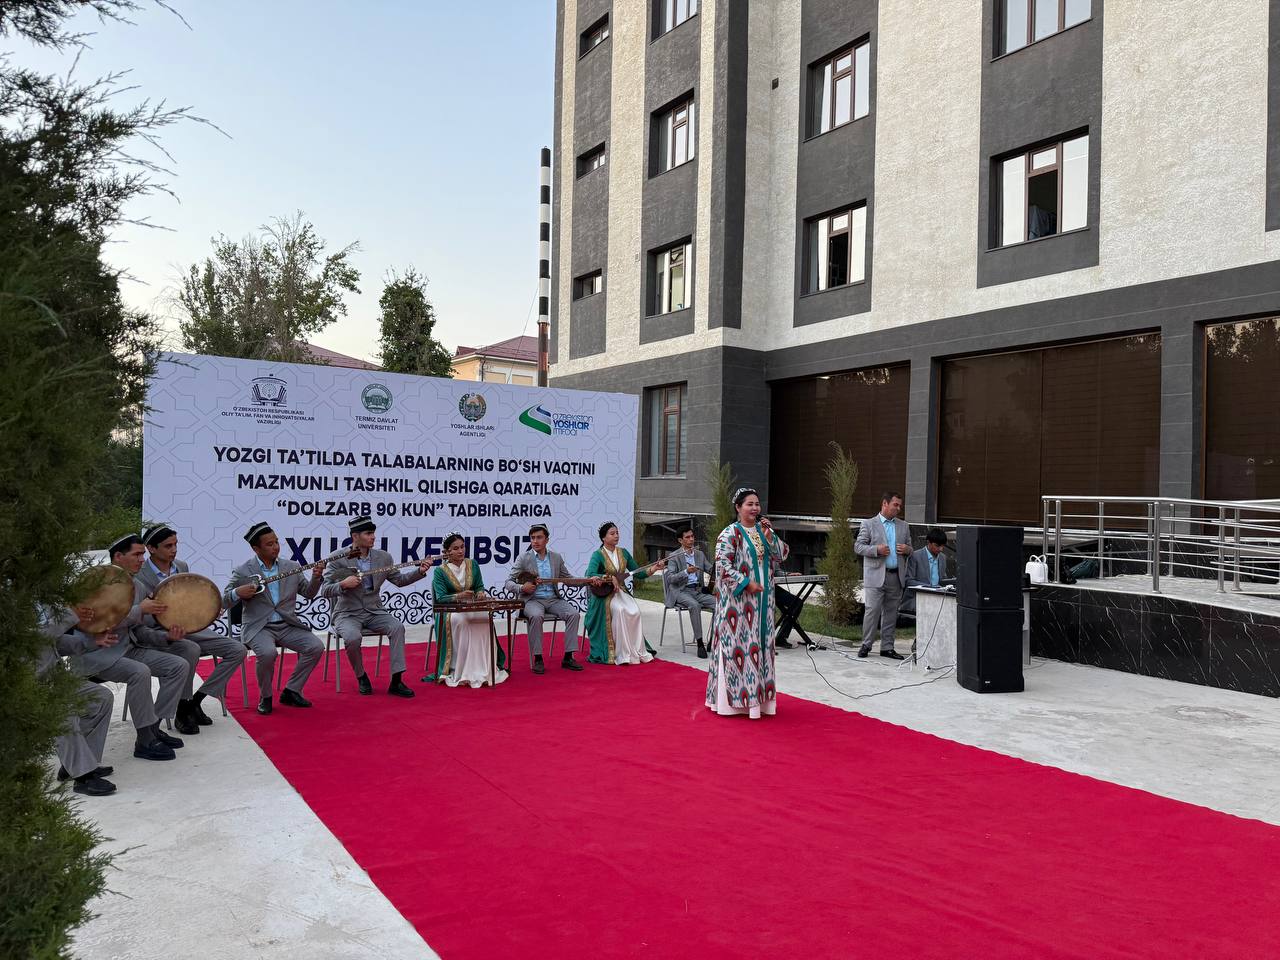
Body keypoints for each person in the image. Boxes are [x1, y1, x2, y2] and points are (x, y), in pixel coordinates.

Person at [67, 534, 187, 760]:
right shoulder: (96, 582)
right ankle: (144, 740)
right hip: (96, 653)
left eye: (143, 554)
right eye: (137, 554)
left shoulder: (137, 586)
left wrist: (167, 638)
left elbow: (138, 630)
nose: (142, 559)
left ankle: (153, 727)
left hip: (127, 649)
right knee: (139, 672)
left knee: (178, 665)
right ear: (118, 556)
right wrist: (139, 610)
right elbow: (95, 623)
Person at [135, 523, 247, 735]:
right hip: (159, 632)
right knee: (189, 649)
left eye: (175, 544)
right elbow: (140, 617)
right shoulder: (139, 575)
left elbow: (189, 600)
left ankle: (195, 701)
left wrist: (206, 612)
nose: (174, 550)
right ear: (151, 548)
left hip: (189, 628)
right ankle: (181, 707)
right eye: (168, 546)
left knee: (238, 650)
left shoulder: (181, 566)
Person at [321, 516, 432, 698]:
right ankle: (361, 676)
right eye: (368, 533)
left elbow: (400, 580)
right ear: (355, 536)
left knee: (397, 627)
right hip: (347, 613)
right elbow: (325, 590)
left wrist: (420, 571)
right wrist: (343, 584)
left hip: (374, 610)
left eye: (373, 533)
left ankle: (396, 681)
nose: (373, 537)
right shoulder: (338, 558)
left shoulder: (383, 557)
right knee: (352, 637)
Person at [705, 487, 790, 719]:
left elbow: (782, 554)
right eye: (749, 504)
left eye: (757, 504)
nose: (754, 508)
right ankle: (733, 702)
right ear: (738, 507)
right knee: (739, 647)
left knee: (761, 646)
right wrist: (746, 583)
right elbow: (722, 566)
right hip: (738, 604)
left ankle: (759, 702)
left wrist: (770, 536)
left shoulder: (763, 531)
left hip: (763, 602)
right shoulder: (729, 533)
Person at [225, 522, 326, 714]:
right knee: (267, 653)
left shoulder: (291, 566)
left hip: (287, 624)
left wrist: (316, 577)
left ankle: (291, 690)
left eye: (277, 542)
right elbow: (224, 600)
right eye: (269, 544)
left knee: (315, 647)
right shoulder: (243, 571)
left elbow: (309, 593)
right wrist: (237, 592)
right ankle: (266, 696)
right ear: (256, 548)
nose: (276, 547)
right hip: (259, 627)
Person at [38, 608, 117, 795]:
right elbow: (35, 637)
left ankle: (76, 765)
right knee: (62, 709)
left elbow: (54, 641)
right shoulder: (11, 606)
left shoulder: (35, 601)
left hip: (54, 679)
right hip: (29, 685)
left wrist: (92, 642)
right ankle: (83, 776)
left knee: (101, 698)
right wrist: (71, 615)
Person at [427, 532, 507, 687]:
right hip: (449, 611)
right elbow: (440, 598)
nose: (460, 551)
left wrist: (480, 593)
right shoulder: (440, 571)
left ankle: (486, 668)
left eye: (462, 547)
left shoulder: (473, 564)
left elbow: (479, 586)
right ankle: (462, 669)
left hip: (472, 607)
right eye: (455, 548)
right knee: (463, 621)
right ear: (447, 551)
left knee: (485, 619)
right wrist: (459, 596)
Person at [505, 523, 586, 674]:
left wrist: (588, 581)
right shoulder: (523, 558)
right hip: (532, 600)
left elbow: (568, 579)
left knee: (573, 614)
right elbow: (508, 583)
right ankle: (538, 658)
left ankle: (568, 657)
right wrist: (522, 588)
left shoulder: (556, 558)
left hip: (554, 599)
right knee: (536, 616)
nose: (535, 541)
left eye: (539, 537)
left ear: (547, 540)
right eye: (532, 538)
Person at [585, 521, 663, 665]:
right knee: (620, 610)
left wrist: (655, 568)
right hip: (605, 595)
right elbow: (590, 574)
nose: (616, 536)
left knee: (635, 611)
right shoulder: (598, 555)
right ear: (603, 537)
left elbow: (638, 573)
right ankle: (620, 653)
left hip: (621, 592)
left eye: (617, 533)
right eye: (612, 533)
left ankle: (635, 650)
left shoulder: (624, 552)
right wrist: (609, 577)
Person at [855, 492, 912, 660]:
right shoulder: (869, 524)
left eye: (900, 505)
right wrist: (876, 550)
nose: (899, 508)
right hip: (875, 576)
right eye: (896, 505)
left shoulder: (903, 526)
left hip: (896, 576)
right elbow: (858, 547)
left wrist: (907, 550)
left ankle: (887, 648)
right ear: (885, 504)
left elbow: (911, 549)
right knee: (872, 611)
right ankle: (866, 645)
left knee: (891, 613)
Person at [663, 527, 715, 659]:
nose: (691, 539)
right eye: (687, 537)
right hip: (681, 591)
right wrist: (687, 571)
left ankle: (713, 639)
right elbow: (670, 579)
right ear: (680, 540)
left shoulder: (699, 554)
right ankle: (700, 644)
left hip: (697, 590)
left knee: (720, 604)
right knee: (694, 605)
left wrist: (718, 567)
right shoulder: (674, 556)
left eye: (692, 536)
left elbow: (710, 569)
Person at [902, 528, 950, 615]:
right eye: (937, 546)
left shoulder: (942, 558)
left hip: (938, 597)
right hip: (917, 598)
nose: (941, 549)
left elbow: (943, 580)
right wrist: (929, 588)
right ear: (928, 542)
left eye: (943, 546)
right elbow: (908, 581)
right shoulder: (915, 556)